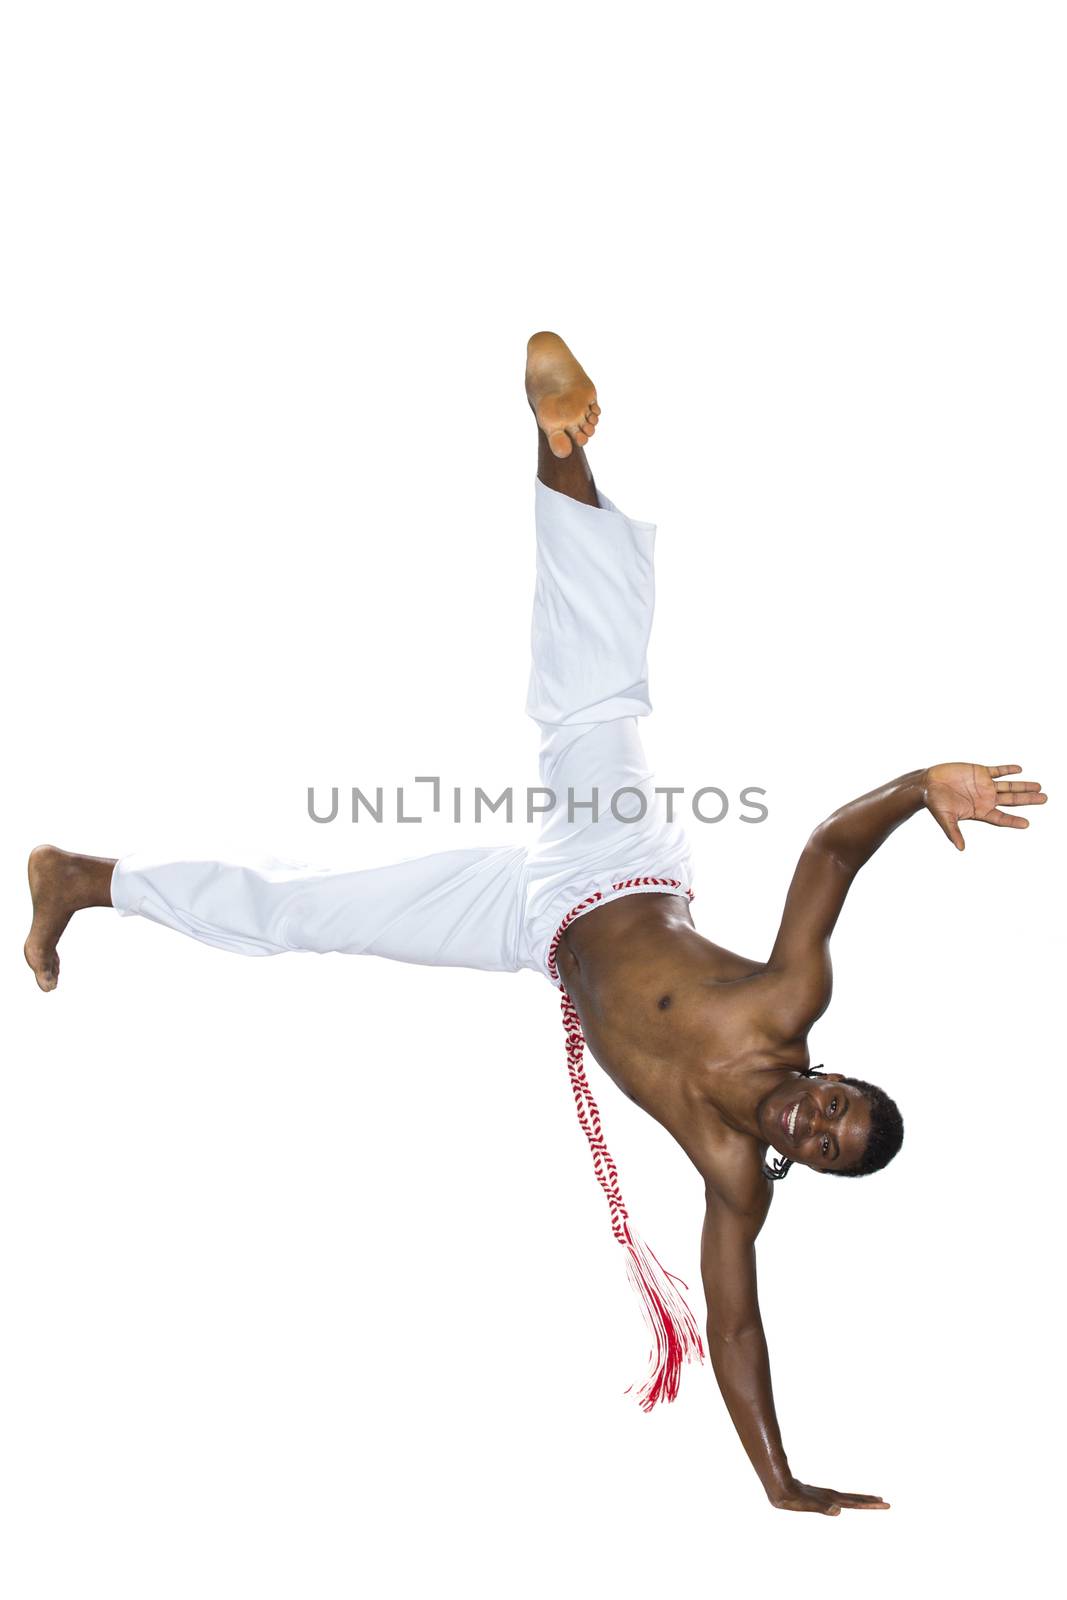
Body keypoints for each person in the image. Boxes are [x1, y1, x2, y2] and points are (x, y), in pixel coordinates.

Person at [24, 332, 1047, 1514]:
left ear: (803, 1163)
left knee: (310, 910)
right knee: (592, 695)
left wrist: (778, 1479)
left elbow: (733, 1317)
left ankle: (81, 881)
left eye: (825, 1140)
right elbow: (825, 852)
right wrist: (920, 787)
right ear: (833, 1075)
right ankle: (560, 447)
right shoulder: (782, 1003)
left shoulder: (731, 1178)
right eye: (838, 1101)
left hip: (532, 931)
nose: (816, 1119)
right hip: (616, 865)